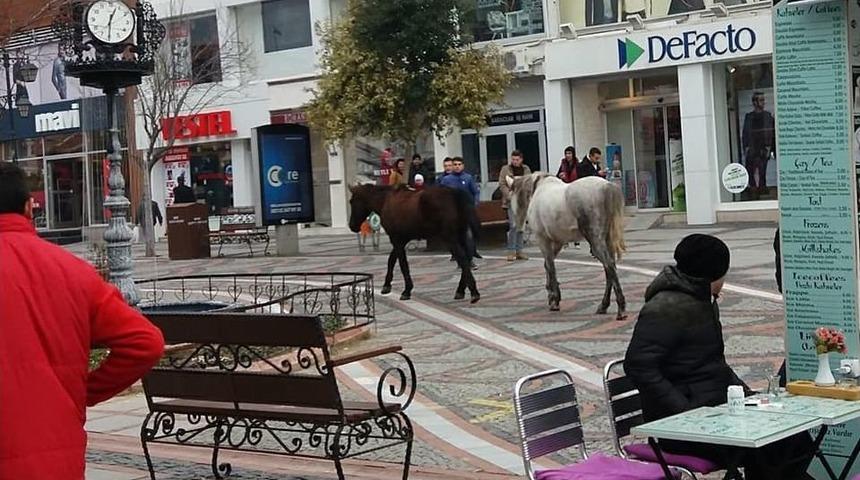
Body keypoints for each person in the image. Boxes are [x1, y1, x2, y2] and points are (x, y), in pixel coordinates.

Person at [0, 162, 165, 479]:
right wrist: (84, 391)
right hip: (53, 458)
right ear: (28, 208)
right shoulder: (72, 272)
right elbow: (146, 342)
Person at [624, 234, 814, 480]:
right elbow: (639, 367)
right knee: (770, 446)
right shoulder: (665, 308)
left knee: (794, 437)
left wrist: (750, 396)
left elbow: (714, 366)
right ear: (714, 273)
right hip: (682, 428)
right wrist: (685, 411)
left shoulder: (702, 300)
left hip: (717, 414)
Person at [439, 157, 481, 266]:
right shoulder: (446, 180)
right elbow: (440, 195)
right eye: (455, 164)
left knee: (469, 236)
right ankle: (460, 260)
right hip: (452, 213)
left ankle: (470, 259)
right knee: (456, 238)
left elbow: (475, 192)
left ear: (463, 166)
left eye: (459, 164)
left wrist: (475, 203)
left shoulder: (468, 178)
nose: (457, 166)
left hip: (466, 211)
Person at [498, 150, 531, 262]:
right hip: (510, 201)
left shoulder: (526, 169)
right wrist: (509, 195)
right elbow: (502, 184)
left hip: (522, 201)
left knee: (521, 226)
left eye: (517, 160)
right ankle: (511, 251)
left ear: (521, 160)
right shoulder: (505, 169)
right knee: (513, 225)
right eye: (513, 159)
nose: (515, 161)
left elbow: (528, 183)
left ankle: (520, 250)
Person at [742, 92, 776, 194]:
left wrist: (771, 148)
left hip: (764, 148)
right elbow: (745, 133)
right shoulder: (749, 117)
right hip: (752, 148)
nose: (763, 102)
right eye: (760, 100)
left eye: (763, 100)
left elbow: (772, 132)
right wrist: (746, 148)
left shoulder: (768, 116)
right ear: (755, 102)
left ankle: (762, 191)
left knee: (762, 172)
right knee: (751, 172)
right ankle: (753, 192)